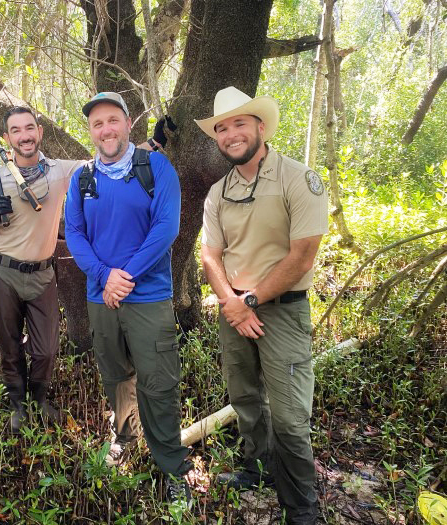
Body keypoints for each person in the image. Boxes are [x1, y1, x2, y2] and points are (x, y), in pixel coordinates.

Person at [196, 86, 328, 525]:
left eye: (238, 124)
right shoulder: (218, 192)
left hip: (282, 311)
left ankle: (302, 509)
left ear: (261, 127)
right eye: (222, 128)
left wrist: (249, 300)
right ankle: (257, 468)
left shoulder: (297, 178)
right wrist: (232, 302)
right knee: (245, 397)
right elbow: (210, 256)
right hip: (233, 310)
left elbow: (302, 256)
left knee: (290, 416)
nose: (230, 134)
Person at [65, 92, 193, 505]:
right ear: (91, 130)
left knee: (158, 382)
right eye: (98, 123)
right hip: (101, 297)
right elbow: (75, 234)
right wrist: (105, 276)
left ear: (127, 124)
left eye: (113, 120)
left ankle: (173, 466)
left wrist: (127, 276)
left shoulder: (155, 167)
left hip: (148, 296)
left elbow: (166, 227)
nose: (106, 129)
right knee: (115, 373)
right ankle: (124, 436)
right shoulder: (82, 178)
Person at [0, 107, 84, 433]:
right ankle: (18, 403)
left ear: (40, 132)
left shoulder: (60, 171)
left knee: (47, 349)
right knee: (9, 345)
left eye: (30, 127)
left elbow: (104, 163)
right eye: (16, 130)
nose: (25, 135)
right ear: (8, 139)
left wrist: (151, 144)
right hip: (3, 273)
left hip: (43, 274)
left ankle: (39, 397)